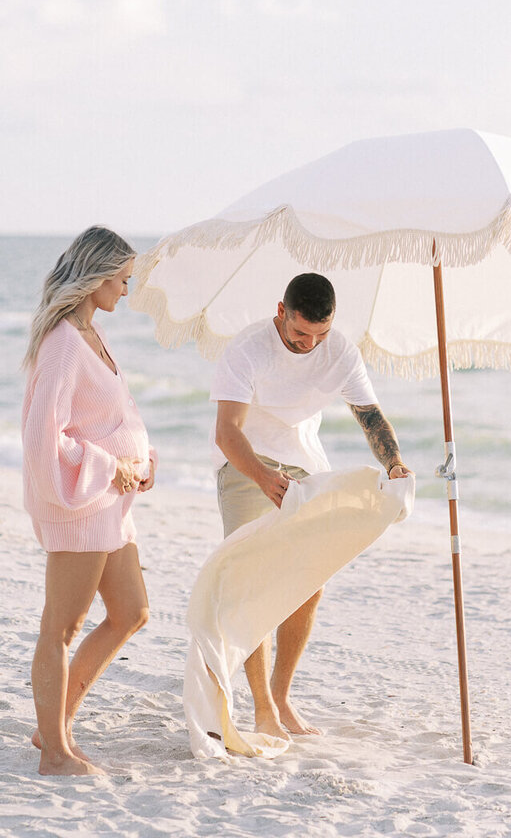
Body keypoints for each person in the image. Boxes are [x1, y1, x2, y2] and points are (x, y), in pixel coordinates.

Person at [211, 272, 412, 740]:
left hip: (304, 467)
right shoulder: (247, 350)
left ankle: (281, 696)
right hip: (246, 466)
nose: (310, 344)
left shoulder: (338, 350)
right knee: (252, 585)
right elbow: (227, 432)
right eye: (301, 333)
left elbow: (369, 416)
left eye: (320, 334)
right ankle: (261, 707)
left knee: (309, 583)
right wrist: (263, 477)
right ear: (281, 312)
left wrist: (395, 463)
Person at [21, 226, 157, 776]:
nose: (127, 290)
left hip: (111, 504)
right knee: (61, 627)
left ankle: (51, 725)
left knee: (131, 611)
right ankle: (56, 752)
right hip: (81, 506)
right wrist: (111, 467)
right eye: (123, 280)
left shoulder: (91, 334)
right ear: (98, 275)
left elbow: (107, 417)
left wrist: (142, 463)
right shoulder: (60, 343)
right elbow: (41, 437)